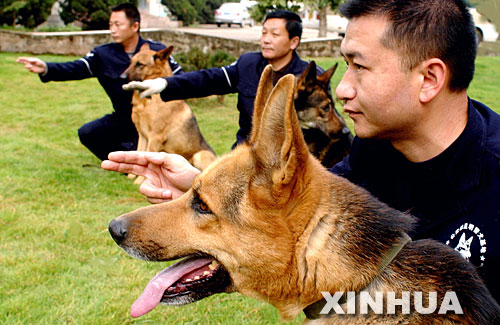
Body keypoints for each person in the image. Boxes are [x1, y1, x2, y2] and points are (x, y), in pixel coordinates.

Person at [103, 0, 500, 302]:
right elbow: (291, 212)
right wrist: (203, 189)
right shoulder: (374, 148)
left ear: (429, 78)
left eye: (359, 67)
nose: (342, 89)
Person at [123, 9, 323, 147]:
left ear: (293, 42)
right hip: (246, 153)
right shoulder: (247, 65)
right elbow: (209, 79)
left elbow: (324, 129)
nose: (266, 39)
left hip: (286, 160)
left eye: (274, 34)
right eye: (263, 33)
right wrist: (164, 83)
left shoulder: (312, 78)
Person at [16, 3, 183, 161]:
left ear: (135, 26)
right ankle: (126, 161)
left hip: (155, 117)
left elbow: (180, 78)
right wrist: (46, 68)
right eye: (110, 25)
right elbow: (76, 68)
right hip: (124, 117)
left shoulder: (155, 51)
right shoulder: (102, 55)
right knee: (88, 133)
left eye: (118, 25)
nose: (113, 30)